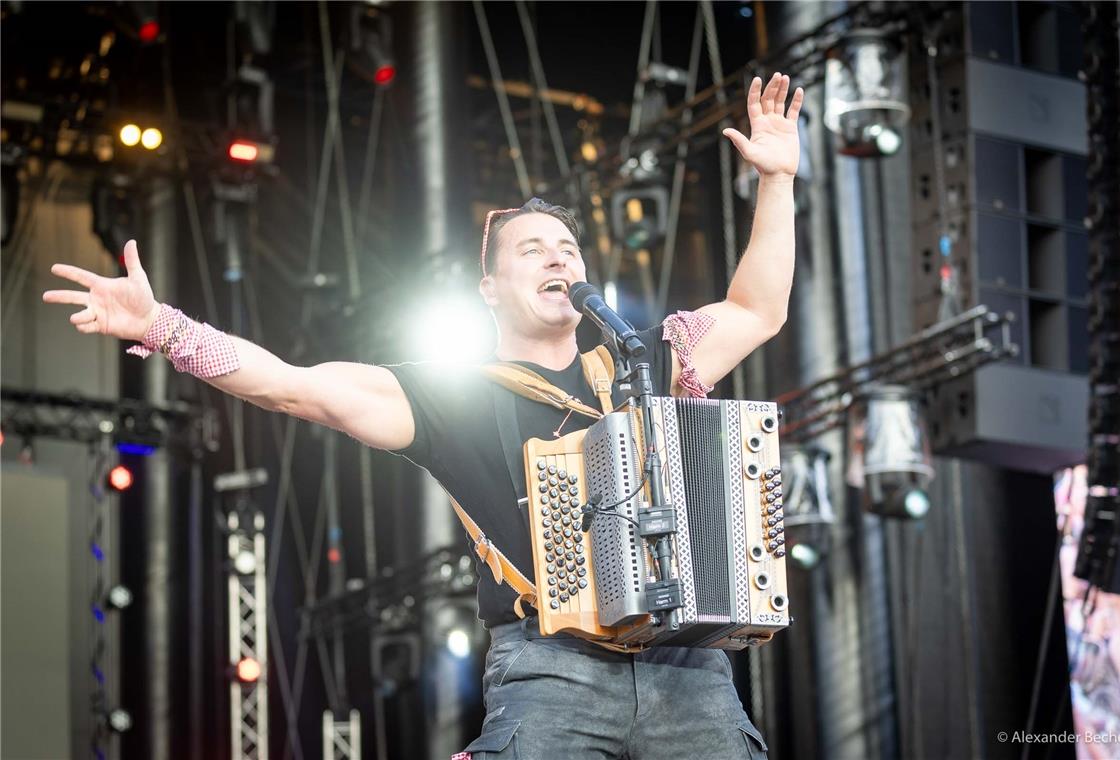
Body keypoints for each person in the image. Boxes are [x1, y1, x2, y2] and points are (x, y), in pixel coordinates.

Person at [44, 72, 802, 759]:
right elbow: (291, 385)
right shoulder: (453, 393)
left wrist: (777, 181)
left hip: (691, 670)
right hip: (552, 672)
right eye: (531, 250)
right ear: (489, 289)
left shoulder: (646, 362)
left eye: (567, 249)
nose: (557, 260)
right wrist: (161, 327)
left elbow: (756, 309)